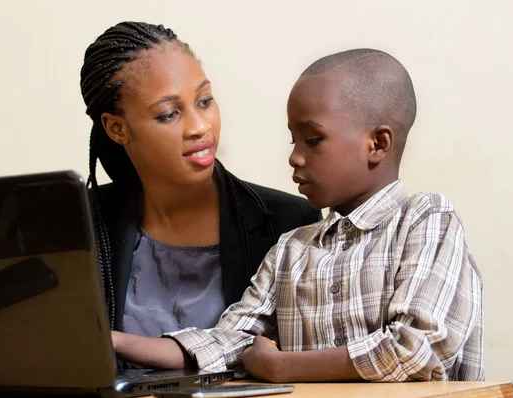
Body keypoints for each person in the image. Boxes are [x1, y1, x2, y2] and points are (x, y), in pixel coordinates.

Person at [110, 49, 484, 382]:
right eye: (293, 140)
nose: (294, 157)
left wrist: (282, 366)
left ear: (378, 144)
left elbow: (416, 348)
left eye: (313, 140)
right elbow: (225, 344)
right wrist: (110, 340)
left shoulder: (427, 219)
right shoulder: (291, 249)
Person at [79, 21, 322, 337]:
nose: (200, 127)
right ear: (117, 129)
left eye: (204, 101)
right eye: (169, 114)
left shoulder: (289, 222)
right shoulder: (83, 223)